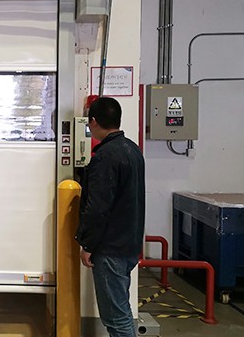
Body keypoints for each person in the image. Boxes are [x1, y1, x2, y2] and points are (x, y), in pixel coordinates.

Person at [75, 96, 145, 337]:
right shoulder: (132, 150)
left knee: (116, 319)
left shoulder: (105, 157)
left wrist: (87, 244)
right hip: (128, 244)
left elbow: (98, 208)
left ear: (93, 121)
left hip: (110, 248)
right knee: (121, 310)